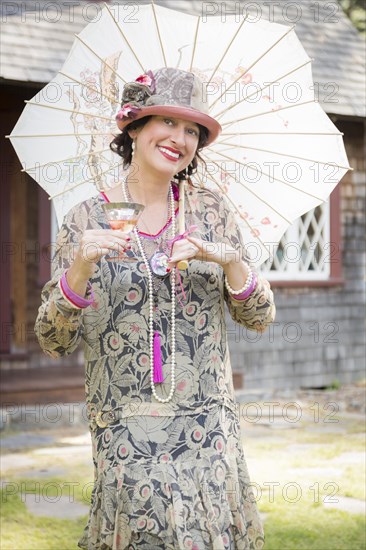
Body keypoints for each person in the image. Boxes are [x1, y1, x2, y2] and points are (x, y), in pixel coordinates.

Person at [35, 67, 275, 550]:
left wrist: (228, 260)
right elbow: (53, 339)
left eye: (192, 130)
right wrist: (80, 268)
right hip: (125, 424)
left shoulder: (211, 211)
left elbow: (260, 316)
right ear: (135, 128)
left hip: (207, 425)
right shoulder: (86, 218)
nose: (180, 138)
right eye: (166, 121)